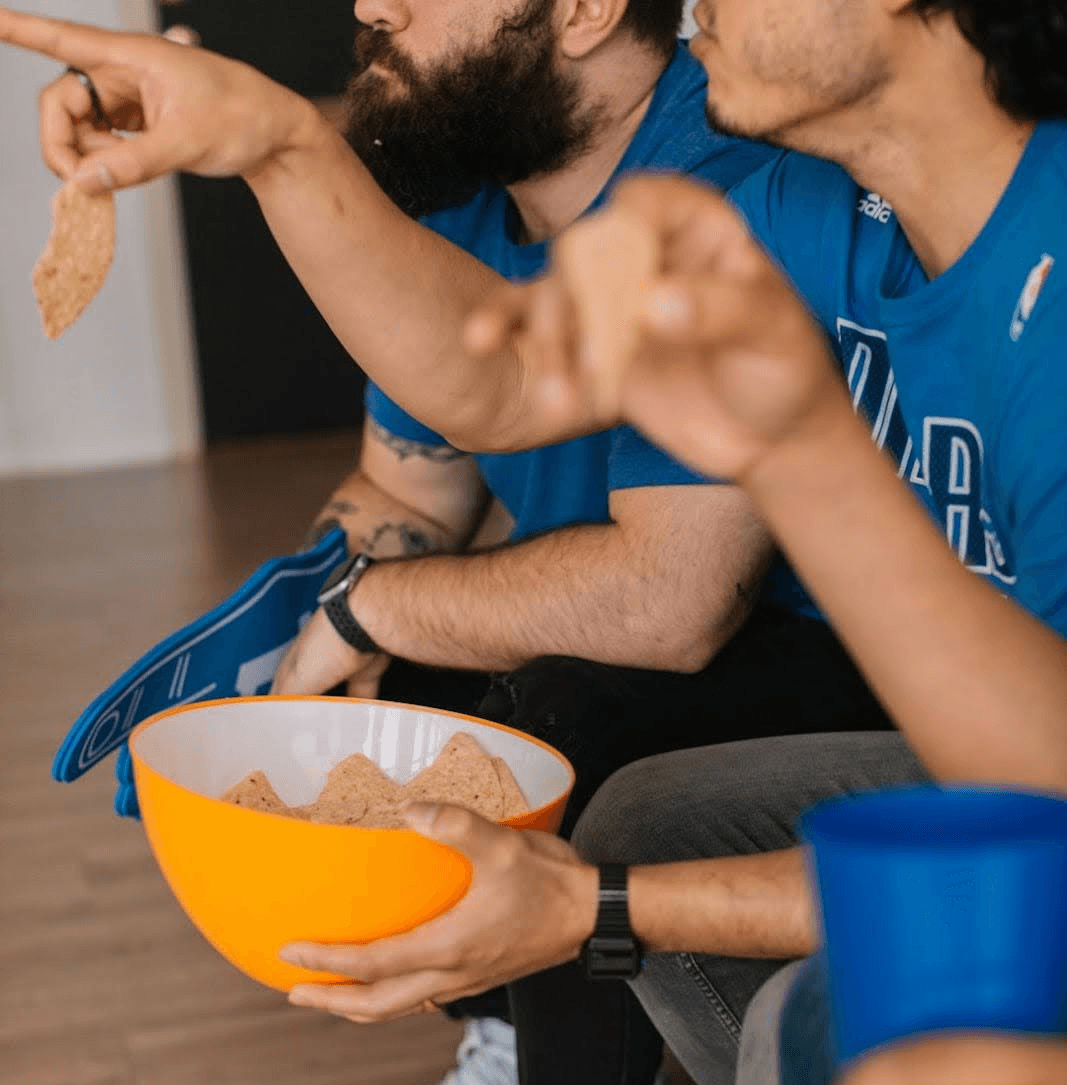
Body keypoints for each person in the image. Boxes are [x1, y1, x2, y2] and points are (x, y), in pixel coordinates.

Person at [4, 1, 1065, 1083]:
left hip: (1016, 800)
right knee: (650, 824)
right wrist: (278, 147)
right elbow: (502, 383)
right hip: (1000, 783)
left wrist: (587, 907)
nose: (698, 4)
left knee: (820, 1014)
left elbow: (1039, 819)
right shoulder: (801, 211)